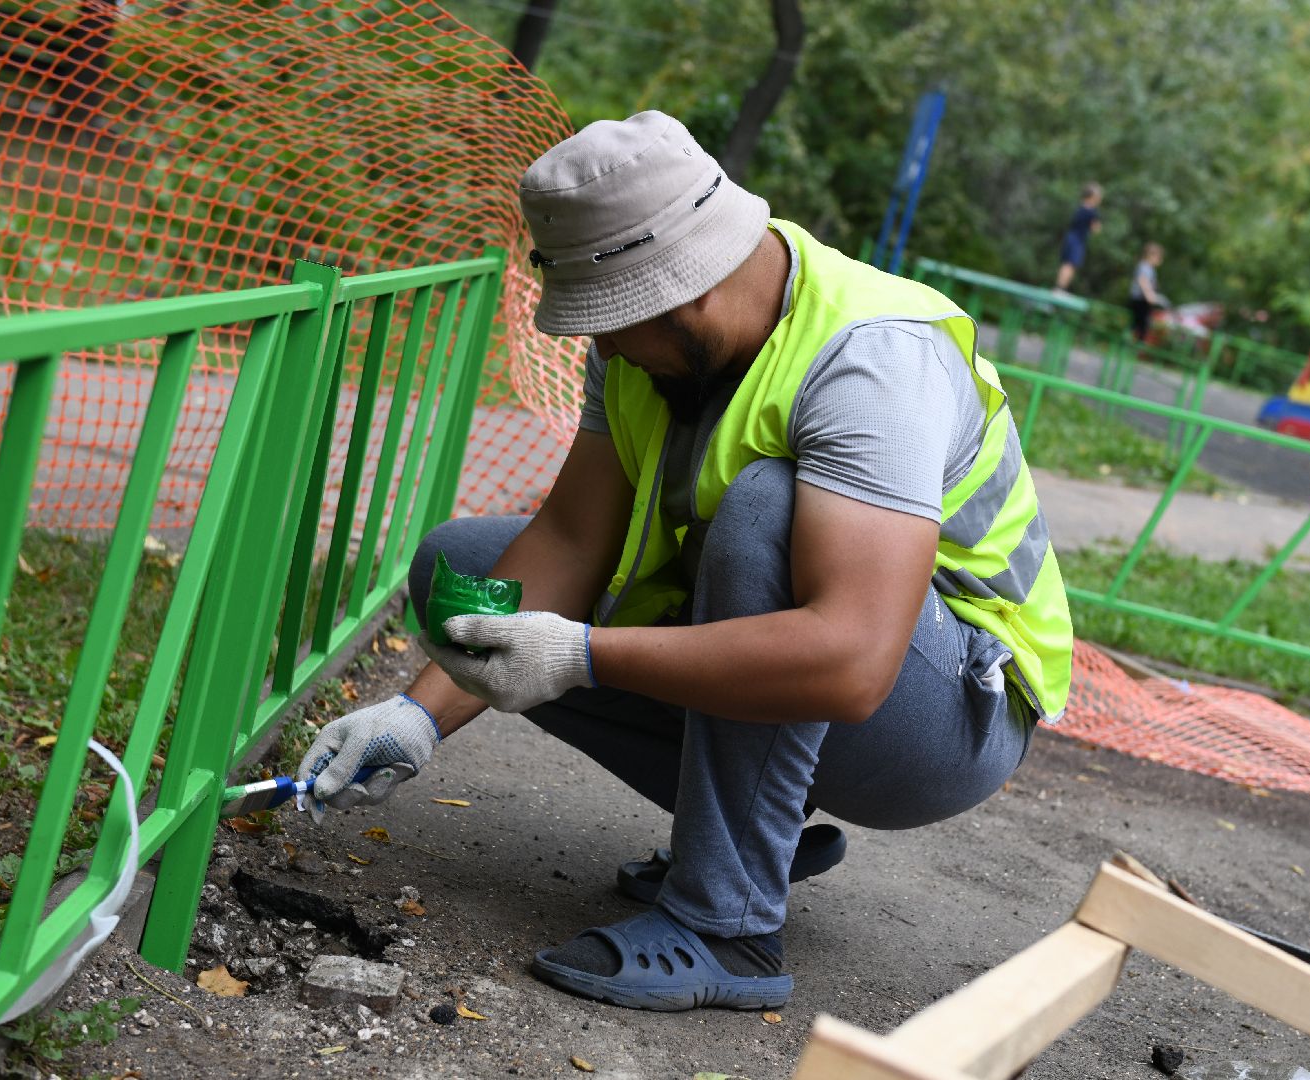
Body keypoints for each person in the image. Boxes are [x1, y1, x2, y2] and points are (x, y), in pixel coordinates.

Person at [297, 111, 1073, 1013]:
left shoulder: (870, 361)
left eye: (614, 323)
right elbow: (570, 542)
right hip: (819, 664)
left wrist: (580, 656)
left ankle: (727, 929)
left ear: (685, 289)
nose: (604, 346)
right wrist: (416, 716)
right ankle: (754, 834)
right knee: (459, 569)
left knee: (763, 513)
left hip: (943, 717)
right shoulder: (641, 349)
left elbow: (853, 661)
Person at [1053, 182, 1102, 292]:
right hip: (1077, 240)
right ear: (1093, 197)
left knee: (1067, 264)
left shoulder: (1080, 208)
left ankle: (1060, 288)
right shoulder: (1091, 212)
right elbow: (1096, 229)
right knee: (1070, 265)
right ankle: (1059, 289)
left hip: (1071, 238)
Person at [1129, 242, 1166, 343]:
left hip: (1143, 300)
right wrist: (1150, 296)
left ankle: (1134, 345)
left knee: (1140, 324)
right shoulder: (1144, 267)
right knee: (1141, 325)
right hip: (1141, 300)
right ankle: (1135, 347)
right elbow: (1143, 281)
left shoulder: (1150, 269)